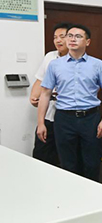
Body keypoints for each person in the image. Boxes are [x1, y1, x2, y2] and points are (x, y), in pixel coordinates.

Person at [37, 24, 102, 181]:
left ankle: (91, 194)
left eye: (78, 36)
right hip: (64, 119)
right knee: (67, 163)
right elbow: (45, 94)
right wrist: (41, 123)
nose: (72, 39)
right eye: (70, 36)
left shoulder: (97, 64)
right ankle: (71, 194)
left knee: (91, 162)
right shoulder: (55, 65)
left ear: (87, 42)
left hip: (90, 118)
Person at [30, 22, 71, 166]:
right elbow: (40, 79)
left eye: (62, 36)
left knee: (65, 157)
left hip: (67, 118)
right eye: (55, 37)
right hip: (48, 116)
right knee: (42, 154)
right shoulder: (50, 56)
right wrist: (33, 96)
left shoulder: (78, 60)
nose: (58, 40)